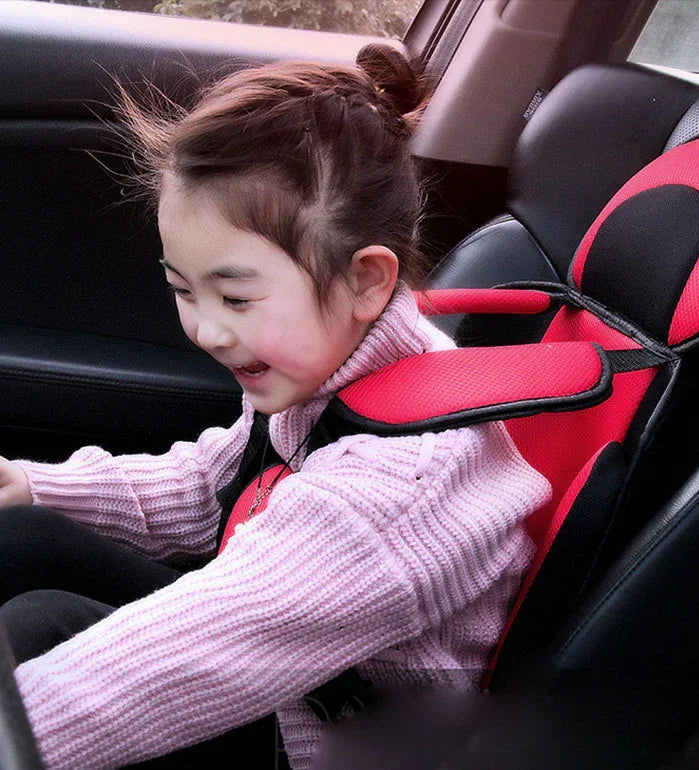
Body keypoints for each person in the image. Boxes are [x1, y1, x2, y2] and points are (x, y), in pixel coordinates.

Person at [0, 44, 551, 769]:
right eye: (183, 290)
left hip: (330, 741)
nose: (206, 328)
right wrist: (37, 485)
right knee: (27, 533)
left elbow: (191, 653)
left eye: (235, 297)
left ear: (366, 281)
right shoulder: (335, 371)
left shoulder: (395, 495)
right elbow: (214, 487)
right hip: (298, 667)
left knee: (40, 629)